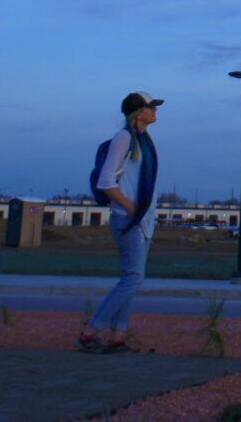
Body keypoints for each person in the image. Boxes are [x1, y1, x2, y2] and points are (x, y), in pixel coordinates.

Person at [78, 91, 163, 353]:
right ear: (138, 112)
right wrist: (131, 208)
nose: (155, 112)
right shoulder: (124, 138)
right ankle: (91, 331)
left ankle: (117, 336)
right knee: (133, 279)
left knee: (132, 277)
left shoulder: (143, 141)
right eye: (151, 107)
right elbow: (106, 182)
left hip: (143, 220)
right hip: (129, 219)